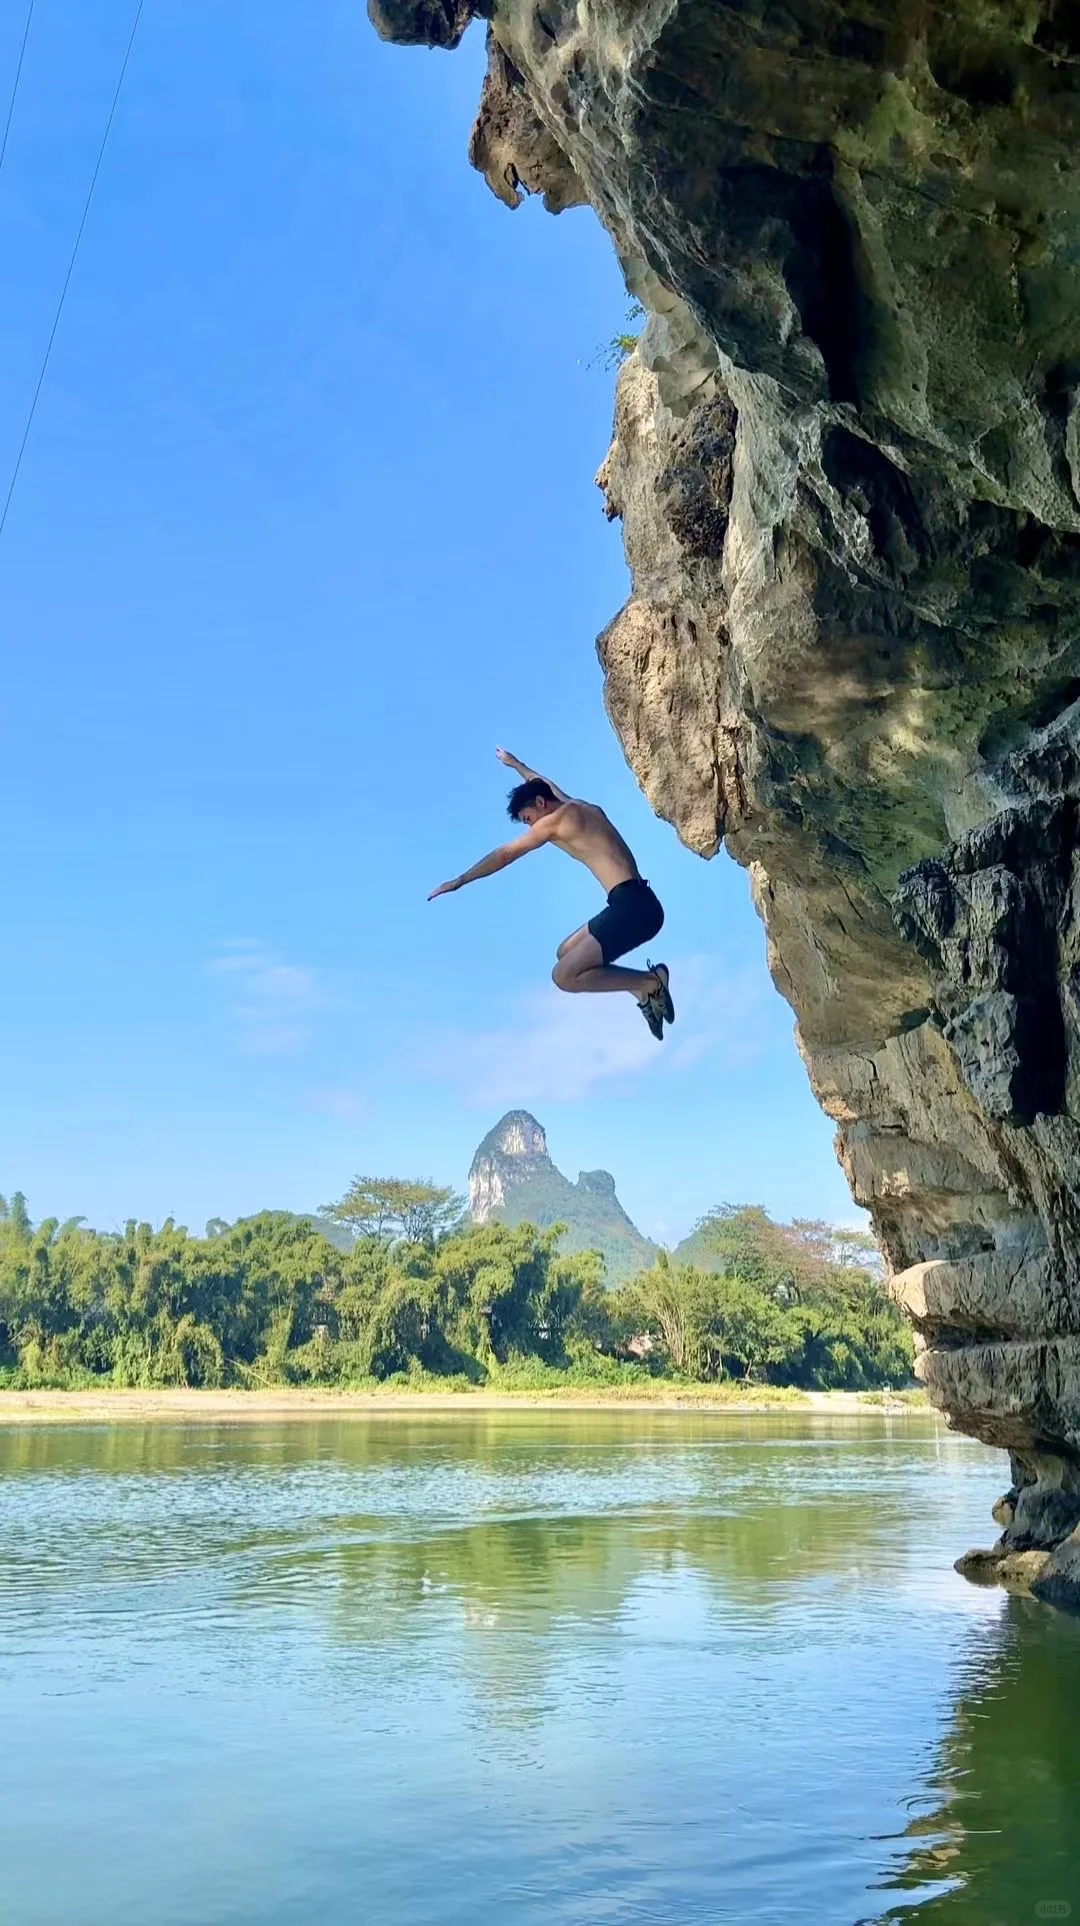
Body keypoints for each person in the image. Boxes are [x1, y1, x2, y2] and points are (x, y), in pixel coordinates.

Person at [428, 747, 675, 1039]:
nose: (532, 826)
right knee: (566, 952)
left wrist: (460, 880)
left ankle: (651, 982)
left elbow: (506, 854)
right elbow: (542, 783)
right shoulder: (580, 807)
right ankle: (640, 988)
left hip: (634, 910)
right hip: (635, 902)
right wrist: (516, 765)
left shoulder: (557, 820)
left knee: (564, 976)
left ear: (541, 805)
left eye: (528, 819)